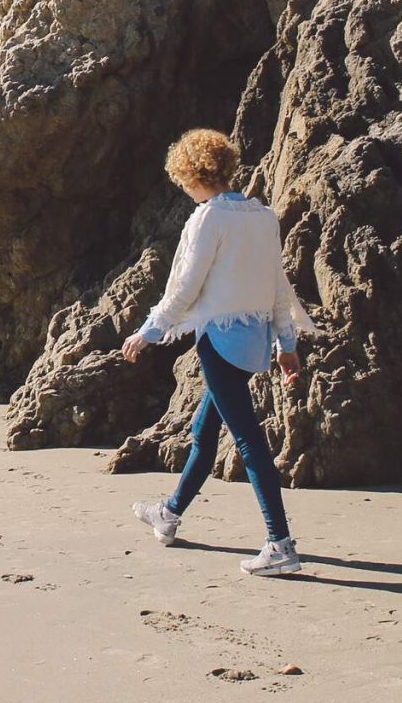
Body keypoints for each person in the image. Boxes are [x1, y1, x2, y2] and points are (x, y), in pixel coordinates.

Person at [122, 128, 310, 578]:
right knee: (205, 431)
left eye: (183, 180)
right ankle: (168, 513)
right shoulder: (263, 216)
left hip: (221, 341)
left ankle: (280, 544)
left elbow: (185, 286)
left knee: (248, 440)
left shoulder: (208, 220)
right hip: (255, 342)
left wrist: (148, 332)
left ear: (193, 174)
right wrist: (286, 346)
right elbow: (279, 287)